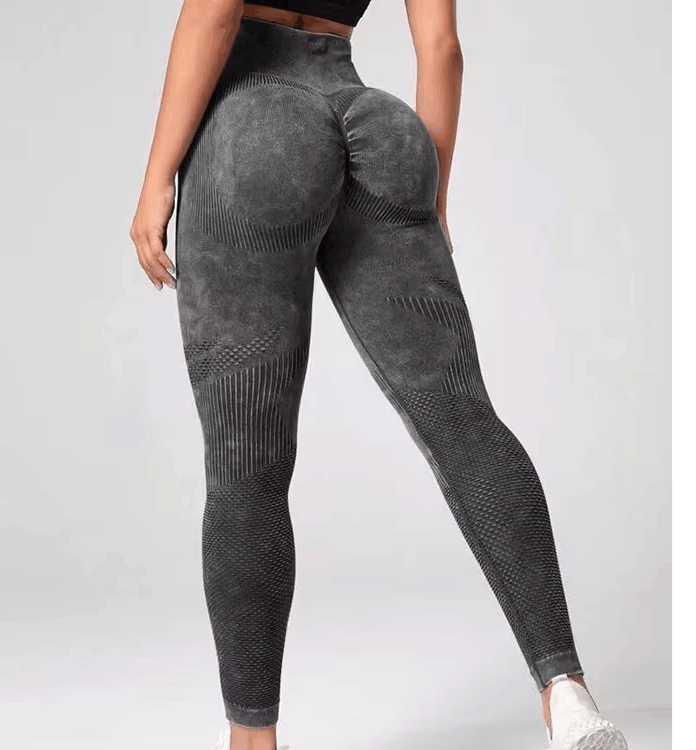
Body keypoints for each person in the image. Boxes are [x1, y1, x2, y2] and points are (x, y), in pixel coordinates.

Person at [129, 2, 630, 749]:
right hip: (376, 124)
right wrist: (434, 192)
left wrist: (157, 177)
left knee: (245, 464)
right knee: (462, 419)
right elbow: (442, 47)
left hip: (252, 130)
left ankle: (252, 742)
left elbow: (215, 14)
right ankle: (567, 693)